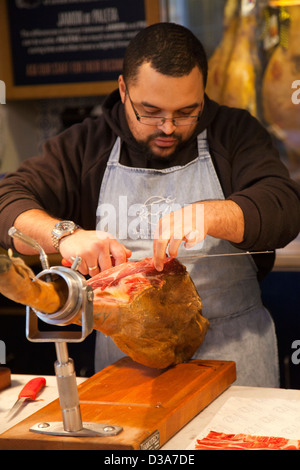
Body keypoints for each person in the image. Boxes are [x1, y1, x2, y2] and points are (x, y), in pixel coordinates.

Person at [0, 23, 299, 386]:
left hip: (234, 357)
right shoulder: (85, 146)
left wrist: (213, 213)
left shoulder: (234, 133)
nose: (168, 127)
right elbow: (8, 200)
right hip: (131, 365)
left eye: (187, 111)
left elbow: (284, 207)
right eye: (151, 111)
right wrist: (64, 234)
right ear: (124, 89)